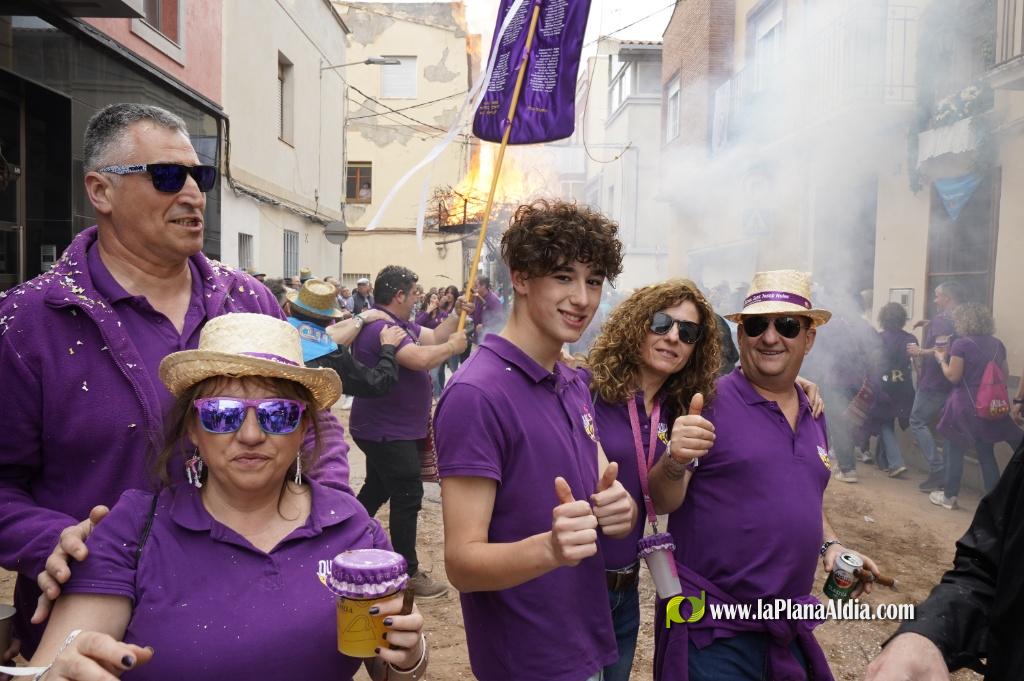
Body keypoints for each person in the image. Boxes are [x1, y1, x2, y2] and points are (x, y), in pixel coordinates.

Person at [0, 103, 352, 658]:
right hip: (95, 631)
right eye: (166, 176)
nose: (192, 192)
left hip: (248, 620)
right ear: (100, 191)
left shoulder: (248, 301)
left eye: (200, 175)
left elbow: (313, 428)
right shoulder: (28, 322)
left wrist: (329, 514)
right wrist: (49, 539)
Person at [23, 313, 427, 680]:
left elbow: (385, 666)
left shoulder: (352, 531)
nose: (250, 435)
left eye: (278, 413)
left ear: (304, 428)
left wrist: (409, 656)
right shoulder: (131, 531)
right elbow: (59, 662)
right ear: (193, 429)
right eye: (222, 413)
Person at [434, 199, 636, 681]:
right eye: (564, 276)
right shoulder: (476, 394)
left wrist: (619, 508)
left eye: (593, 280)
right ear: (521, 278)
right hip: (526, 661)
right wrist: (550, 548)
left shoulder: (570, 378)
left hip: (583, 639)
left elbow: (605, 490)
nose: (583, 298)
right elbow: (462, 563)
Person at [648, 270, 882, 681]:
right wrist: (674, 460)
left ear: (809, 338)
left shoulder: (814, 413)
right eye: (757, 324)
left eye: (787, 325)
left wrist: (831, 544)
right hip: (713, 631)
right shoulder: (708, 402)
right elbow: (664, 498)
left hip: (783, 628)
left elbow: (804, 497)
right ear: (741, 336)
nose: (770, 337)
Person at [585, 280, 722, 681]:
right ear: (636, 325)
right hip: (573, 588)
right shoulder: (585, 389)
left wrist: (677, 459)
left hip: (623, 592)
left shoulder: (681, 410)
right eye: (662, 323)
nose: (673, 337)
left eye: (688, 332)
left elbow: (663, 501)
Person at [349, 265, 469, 599]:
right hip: (387, 431)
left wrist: (455, 315)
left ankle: (345, 536)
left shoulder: (398, 324)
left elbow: (432, 336)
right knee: (407, 495)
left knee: (376, 488)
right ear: (399, 295)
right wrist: (452, 348)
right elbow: (419, 358)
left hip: (388, 429)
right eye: (414, 293)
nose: (417, 298)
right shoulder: (381, 328)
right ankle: (408, 572)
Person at [928, 303, 1022, 510]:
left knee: (954, 449)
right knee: (986, 453)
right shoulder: (998, 344)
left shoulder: (961, 344)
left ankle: (949, 497)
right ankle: (995, 503)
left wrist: (941, 360)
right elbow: (1004, 376)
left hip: (963, 406)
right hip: (989, 405)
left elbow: (953, 376)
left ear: (963, 321)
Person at [284, 279, 403, 398]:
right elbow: (377, 383)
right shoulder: (333, 356)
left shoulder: (276, 331)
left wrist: (360, 319)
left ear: (289, 308)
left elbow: (331, 332)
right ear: (330, 320)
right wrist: (388, 348)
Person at [907, 281, 966, 492]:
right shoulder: (959, 318)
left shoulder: (942, 321)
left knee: (917, 421)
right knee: (943, 426)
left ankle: (937, 468)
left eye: (938, 296)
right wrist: (930, 323)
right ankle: (944, 472)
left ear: (947, 298)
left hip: (933, 381)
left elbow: (942, 348)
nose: (935, 299)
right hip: (950, 381)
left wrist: (919, 352)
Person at [864, 302, 918, 478]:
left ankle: (896, 463)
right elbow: (917, 363)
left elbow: (873, 365)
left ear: (883, 318)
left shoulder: (877, 338)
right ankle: (884, 461)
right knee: (886, 420)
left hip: (883, 385)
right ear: (902, 319)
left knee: (885, 423)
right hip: (903, 388)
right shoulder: (910, 339)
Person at [471, 275, 505, 343]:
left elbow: (499, 319)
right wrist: (470, 316)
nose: (474, 287)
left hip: (488, 339)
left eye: (476, 285)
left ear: (483, 285)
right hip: (477, 337)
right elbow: (475, 312)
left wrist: (484, 325)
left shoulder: (494, 300)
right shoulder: (476, 297)